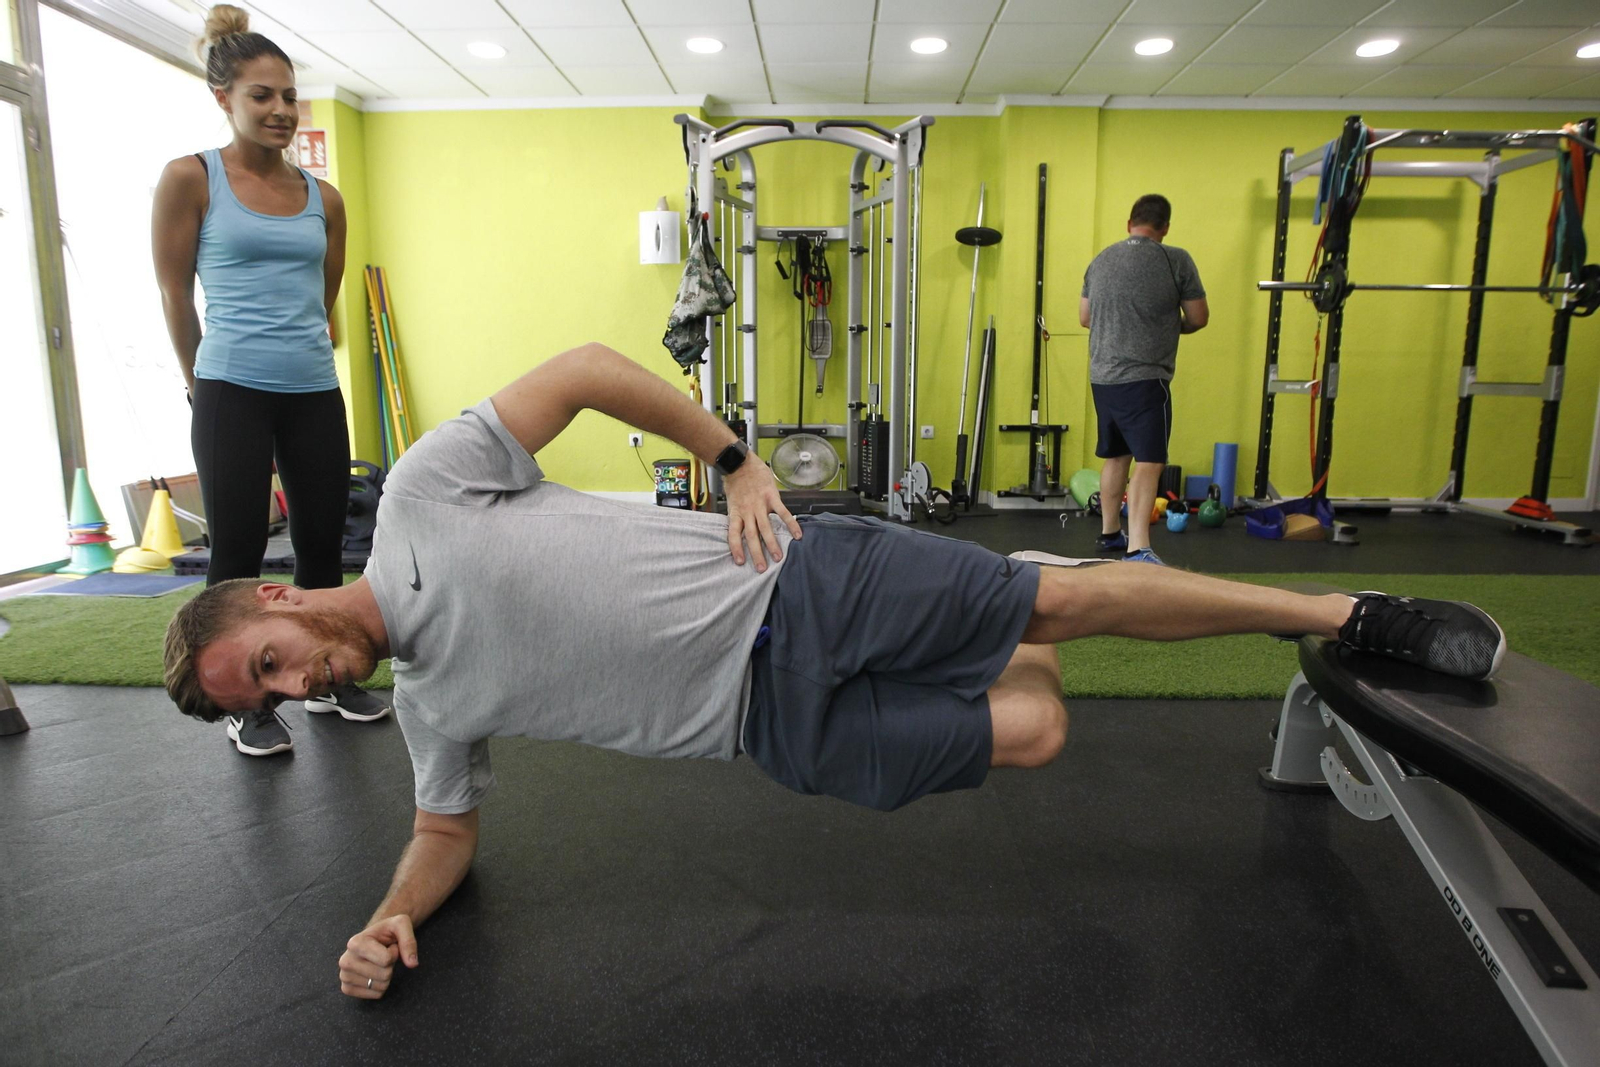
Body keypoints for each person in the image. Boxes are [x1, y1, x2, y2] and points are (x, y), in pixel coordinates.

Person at [160, 343, 1507, 1000]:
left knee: (1072, 596)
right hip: (769, 733)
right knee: (1035, 730)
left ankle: (1343, 609)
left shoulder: (420, 497)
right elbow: (445, 829)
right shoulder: (432, 707)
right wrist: (392, 912)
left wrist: (737, 459)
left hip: (796, 582)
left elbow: (578, 371)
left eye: (268, 663)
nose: (292, 688)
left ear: (277, 595)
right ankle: (1009, 615)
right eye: (263, 700)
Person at [152, 4, 388, 757]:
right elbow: (174, 295)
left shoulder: (326, 198)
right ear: (223, 97)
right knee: (237, 551)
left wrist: (299, 352)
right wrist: (200, 386)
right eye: (262, 95)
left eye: (289, 95)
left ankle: (325, 674)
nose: (281, 109)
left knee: (321, 543)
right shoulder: (190, 178)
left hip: (312, 388)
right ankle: (244, 703)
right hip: (230, 388)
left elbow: (323, 298)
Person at [1080, 193, 1209, 566]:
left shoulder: (1100, 260)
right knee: (1150, 462)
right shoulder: (1175, 259)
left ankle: (1109, 533)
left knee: (1115, 456)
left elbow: (1085, 318)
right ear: (1165, 227)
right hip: (1145, 380)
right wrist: (1165, 325)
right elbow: (1198, 317)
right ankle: (1138, 548)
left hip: (1103, 378)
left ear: (1129, 224)